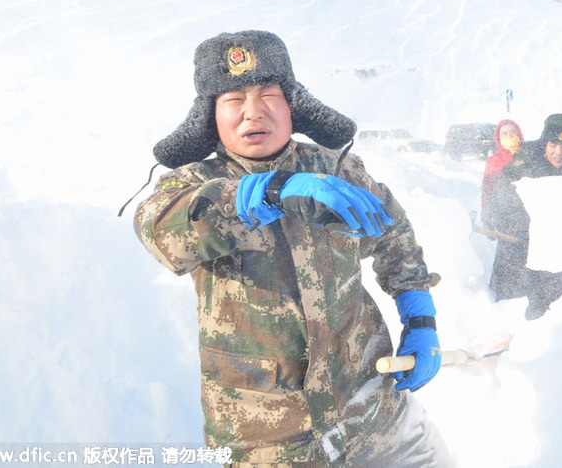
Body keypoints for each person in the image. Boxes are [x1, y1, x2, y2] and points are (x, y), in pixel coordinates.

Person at [133, 31, 450, 467]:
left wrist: (420, 315)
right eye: (233, 100)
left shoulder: (336, 169)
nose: (253, 111)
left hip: (374, 407)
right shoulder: (190, 183)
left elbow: (393, 235)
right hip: (268, 440)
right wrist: (268, 193)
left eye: (268, 94)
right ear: (210, 115)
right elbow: (163, 232)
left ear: (293, 104)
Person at [486, 114, 562, 320]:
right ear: (544, 142)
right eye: (553, 145)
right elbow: (500, 200)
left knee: (553, 305)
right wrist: (522, 229)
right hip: (519, 247)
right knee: (512, 303)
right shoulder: (524, 163)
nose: (558, 153)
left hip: (558, 251)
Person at [480, 119, 524, 225]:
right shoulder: (493, 161)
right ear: (499, 138)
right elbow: (487, 191)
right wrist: (486, 217)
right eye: (504, 133)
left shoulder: (529, 156)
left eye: (512, 132)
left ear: (519, 134)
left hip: (528, 214)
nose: (509, 136)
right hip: (504, 218)